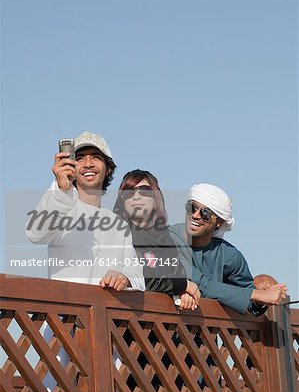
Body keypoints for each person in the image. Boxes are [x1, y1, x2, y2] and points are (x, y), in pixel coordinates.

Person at [26, 131, 145, 291]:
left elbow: (137, 275)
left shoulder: (119, 225)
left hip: (106, 315)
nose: (88, 164)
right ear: (72, 165)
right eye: (80, 158)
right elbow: (35, 234)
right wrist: (61, 189)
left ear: (108, 168)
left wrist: (125, 277)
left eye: (96, 157)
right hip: (65, 314)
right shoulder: (60, 206)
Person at [170, 183, 287, 315]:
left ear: (219, 222)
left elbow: (248, 298)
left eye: (205, 213)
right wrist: (257, 294)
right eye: (192, 208)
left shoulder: (229, 255)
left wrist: (262, 297)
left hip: (204, 333)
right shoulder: (167, 239)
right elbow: (196, 281)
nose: (196, 215)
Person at [113, 169, 201, 310]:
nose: (136, 197)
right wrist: (181, 285)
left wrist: (184, 293)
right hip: (123, 322)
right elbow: (138, 280)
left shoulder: (167, 240)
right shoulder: (117, 234)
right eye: (129, 191)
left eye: (144, 190)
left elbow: (180, 276)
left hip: (162, 326)